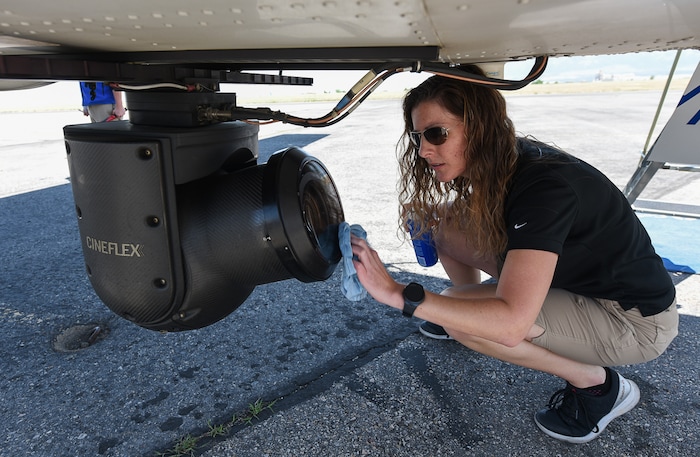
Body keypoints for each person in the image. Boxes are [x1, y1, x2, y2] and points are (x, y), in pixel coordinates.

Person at [350, 69, 678, 444]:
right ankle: (463, 311)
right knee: (439, 223)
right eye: (418, 136)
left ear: (480, 127)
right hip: (578, 283)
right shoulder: (505, 157)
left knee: (470, 319)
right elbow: (462, 219)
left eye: (437, 134)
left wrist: (397, 294)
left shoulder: (546, 187)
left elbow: (511, 325)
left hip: (632, 320)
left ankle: (598, 387)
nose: (424, 150)